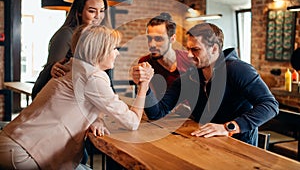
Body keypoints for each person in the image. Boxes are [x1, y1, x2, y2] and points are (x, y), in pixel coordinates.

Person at [0, 25, 154, 170]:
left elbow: (81, 103)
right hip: (23, 154)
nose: (117, 53)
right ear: (100, 50)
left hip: (13, 144)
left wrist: (95, 118)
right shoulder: (93, 77)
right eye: (114, 48)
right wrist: (144, 85)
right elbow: (132, 122)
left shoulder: (74, 68)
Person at [133, 22, 279, 146]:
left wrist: (228, 127)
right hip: (205, 144)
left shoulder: (238, 69)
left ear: (214, 49)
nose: (189, 55)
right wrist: (144, 85)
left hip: (239, 147)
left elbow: (270, 105)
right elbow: (157, 113)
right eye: (188, 49)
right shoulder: (190, 77)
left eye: (195, 49)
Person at [31, 0, 111, 100]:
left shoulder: (101, 38)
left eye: (102, 11)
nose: (98, 16)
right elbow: (53, 69)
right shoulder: (66, 34)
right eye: (92, 11)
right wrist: (53, 68)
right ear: (79, 12)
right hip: (59, 99)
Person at [139, 12, 191, 100]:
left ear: (172, 39)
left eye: (158, 39)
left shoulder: (189, 59)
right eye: (149, 38)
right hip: (162, 112)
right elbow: (151, 100)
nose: (152, 44)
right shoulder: (146, 63)